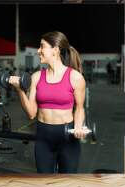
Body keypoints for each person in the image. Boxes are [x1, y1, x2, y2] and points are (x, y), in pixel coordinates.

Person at [9, 31, 87, 174]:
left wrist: (78, 126)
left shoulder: (75, 77)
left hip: (67, 136)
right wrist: (19, 90)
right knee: (44, 180)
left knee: (67, 181)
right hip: (43, 136)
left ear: (55, 50)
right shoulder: (37, 77)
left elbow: (80, 108)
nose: (38, 51)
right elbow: (31, 113)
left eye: (42, 46)